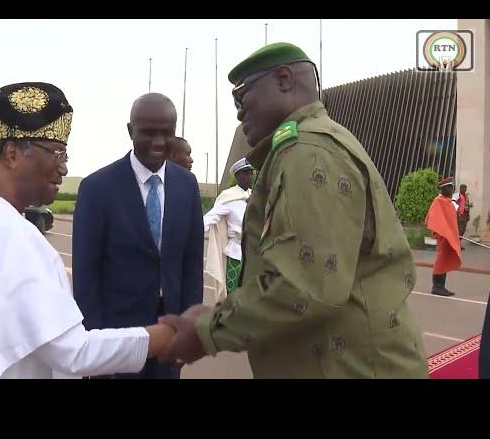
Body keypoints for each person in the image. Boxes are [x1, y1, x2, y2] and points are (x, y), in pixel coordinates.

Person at [157, 42, 429, 378]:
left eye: (241, 97)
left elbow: (304, 288)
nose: (239, 112)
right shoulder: (306, 146)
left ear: (284, 79)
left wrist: (205, 331)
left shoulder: (307, 152)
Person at [0, 83, 175, 379]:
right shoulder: (14, 238)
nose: (64, 168)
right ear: (13, 154)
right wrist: (163, 336)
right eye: (57, 153)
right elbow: (74, 352)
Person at [73, 93, 203, 379]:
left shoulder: (187, 185)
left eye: (167, 133)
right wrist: (93, 345)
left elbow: (191, 265)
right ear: (131, 131)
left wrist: (190, 328)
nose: (158, 142)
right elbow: (86, 275)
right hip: (117, 334)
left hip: (170, 329)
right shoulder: (97, 188)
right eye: (148, 133)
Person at [203, 158, 253, 299]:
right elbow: (211, 217)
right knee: (232, 290)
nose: (250, 176)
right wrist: (192, 232)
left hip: (253, 250)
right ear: (237, 176)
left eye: (251, 173)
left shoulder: (254, 195)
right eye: (246, 173)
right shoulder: (229, 198)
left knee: (250, 292)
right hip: (236, 251)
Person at [425, 177, 461, 296]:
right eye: (449, 188)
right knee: (441, 260)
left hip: (449, 236)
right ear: (443, 189)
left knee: (445, 260)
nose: (451, 190)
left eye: (452, 188)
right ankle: (437, 286)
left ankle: (442, 286)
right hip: (443, 237)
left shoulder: (448, 202)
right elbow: (433, 219)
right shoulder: (438, 201)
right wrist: (443, 232)